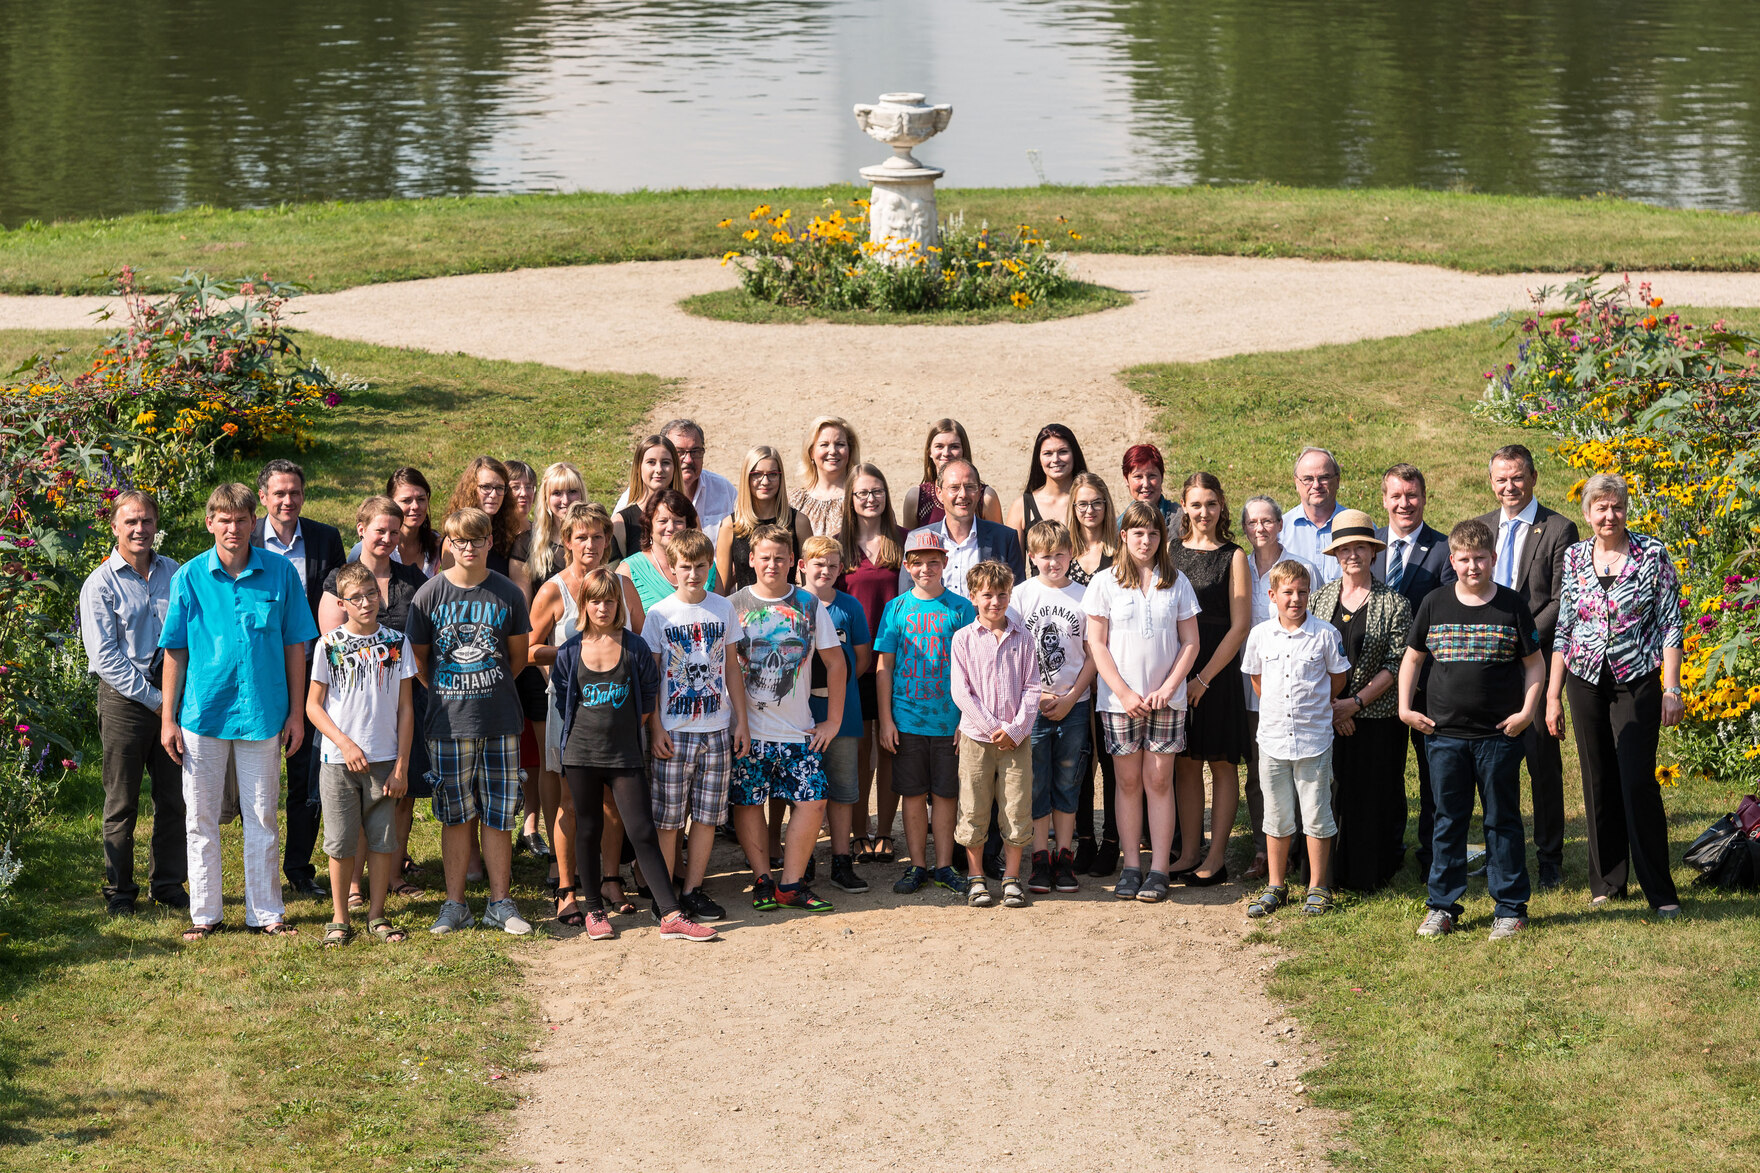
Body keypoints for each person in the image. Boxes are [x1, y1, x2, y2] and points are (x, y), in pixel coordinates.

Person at [159, 483, 319, 939]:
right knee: (200, 818)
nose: (233, 528)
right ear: (209, 523)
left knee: (263, 815)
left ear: (255, 523)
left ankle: (266, 912)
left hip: (264, 714)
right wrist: (168, 718)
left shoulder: (281, 573)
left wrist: (295, 714)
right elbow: (175, 652)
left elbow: (295, 646)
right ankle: (205, 915)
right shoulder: (188, 577)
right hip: (203, 715)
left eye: (242, 519)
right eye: (224, 520)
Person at [1398, 519, 1545, 941]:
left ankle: (1510, 908)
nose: (1472, 567)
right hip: (1443, 736)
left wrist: (1525, 713)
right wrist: (1407, 708)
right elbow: (1412, 658)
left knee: (1502, 821)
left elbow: (1535, 665)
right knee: (1448, 821)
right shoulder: (1434, 603)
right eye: (1463, 559)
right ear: (1453, 560)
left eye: (1480, 558)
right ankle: (1442, 906)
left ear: (1493, 559)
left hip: (1499, 737)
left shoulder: (1513, 607)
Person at [553, 567, 717, 942]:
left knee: (642, 830)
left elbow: (647, 699)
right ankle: (593, 908)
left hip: (624, 755)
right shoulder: (569, 651)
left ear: (619, 604)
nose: (603, 607)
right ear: (584, 604)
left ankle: (671, 913)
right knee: (589, 828)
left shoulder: (635, 647)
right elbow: (565, 701)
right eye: (595, 600)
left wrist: (623, 731)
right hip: (581, 756)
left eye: (610, 600)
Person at [1546, 474, 1684, 917]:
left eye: (1617, 507)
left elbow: (1670, 624)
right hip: (1583, 678)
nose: (1609, 515)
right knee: (1597, 778)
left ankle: (1659, 891)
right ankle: (1608, 883)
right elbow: (1563, 628)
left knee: (1636, 781)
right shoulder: (1572, 557)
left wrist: (1672, 687)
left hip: (1637, 679)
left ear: (1626, 510)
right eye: (1600, 508)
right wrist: (1552, 696)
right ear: (1586, 514)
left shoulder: (1652, 555)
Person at [405, 507, 534, 936]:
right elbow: (420, 663)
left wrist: (486, 684)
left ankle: (501, 903)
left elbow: (517, 658)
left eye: (477, 540)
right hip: (448, 723)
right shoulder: (429, 595)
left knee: (499, 814)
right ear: (448, 545)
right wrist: (449, 689)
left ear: (489, 543)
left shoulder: (508, 594)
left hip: (499, 719)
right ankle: (455, 904)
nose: (468, 548)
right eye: (460, 541)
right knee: (455, 815)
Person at [528, 503, 642, 926]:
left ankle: (611, 878)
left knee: (613, 799)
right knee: (570, 802)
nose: (590, 545)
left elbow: (641, 644)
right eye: (581, 537)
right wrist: (571, 657)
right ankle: (566, 886)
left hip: (616, 706)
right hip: (569, 708)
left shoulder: (623, 586)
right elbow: (526, 648)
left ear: (608, 542)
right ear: (566, 542)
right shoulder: (553, 590)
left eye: (598, 537)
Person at [1083, 500, 1201, 904]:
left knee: (1159, 781)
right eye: (1138, 533)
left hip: (1168, 700)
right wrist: (1124, 692)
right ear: (1123, 537)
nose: (1146, 540)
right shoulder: (1104, 582)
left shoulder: (1177, 581)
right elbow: (1096, 645)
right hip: (1120, 702)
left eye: (1153, 534)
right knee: (1128, 781)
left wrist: (1169, 687)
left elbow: (1191, 642)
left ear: (1161, 538)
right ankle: (1131, 866)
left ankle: (1159, 870)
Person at [1473, 443, 1578, 891]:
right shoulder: (1479, 528)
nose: (1509, 486)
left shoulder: (1558, 528)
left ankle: (1550, 856)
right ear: (1491, 481)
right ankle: (1500, 853)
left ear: (1533, 478)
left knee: (1541, 762)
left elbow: (1561, 599)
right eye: (1501, 478)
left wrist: (1520, 640)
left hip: (1535, 662)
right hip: (1487, 669)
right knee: (1491, 764)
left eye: (1517, 477)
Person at [318, 497, 430, 907]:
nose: (387, 538)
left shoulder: (411, 579)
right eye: (379, 529)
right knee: (354, 800)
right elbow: (333, 646)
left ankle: (394, 873)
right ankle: (351, 886)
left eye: (394, 532)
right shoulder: (339, 580)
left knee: (397, 794)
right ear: (361, 528)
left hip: (399, 697)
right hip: (349, 709)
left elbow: (421, 637)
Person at [728, 525, 846, 911]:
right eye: (765, 557)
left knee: (813, 799)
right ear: (751, 560)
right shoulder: (732, 606)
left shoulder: (809, 605)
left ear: (792, 562)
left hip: (799, 731)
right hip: (749, 730)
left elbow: (836, 662)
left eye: (780, 558)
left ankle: (791, 883)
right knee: (748, 803)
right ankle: (762, 877)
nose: (772, 564)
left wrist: (833, 721)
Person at [79, 489, 185, 915]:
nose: (139, 529)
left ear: (156, 525)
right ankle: (121, 892)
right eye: (131, 522)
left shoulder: (174, 572)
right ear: (115, 528)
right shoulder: (100, 583)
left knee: (173, 798)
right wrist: (158, 702)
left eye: (146, 521)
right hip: (125, 699)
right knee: (122, 802)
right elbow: (105, 658)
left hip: (171, 693)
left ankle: (169, 885)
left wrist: (171, 700)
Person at [305, 562, 416, 946]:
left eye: (372, 594)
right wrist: (344, 743)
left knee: (384, 840)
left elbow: (406, 709)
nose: (366, 602)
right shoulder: (328, 645)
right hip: (338, 763)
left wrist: (401, 765)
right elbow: (313, 707)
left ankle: (378, 914)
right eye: (356, 598)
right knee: (340, 841)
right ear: (342, 603)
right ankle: (339, 917)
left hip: (385, 762)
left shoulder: (397, 643)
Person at [252, 458, 346, 902]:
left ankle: (299, 869)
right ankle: (260, 870)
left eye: (295, 492)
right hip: (254, 675)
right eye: (279, 493)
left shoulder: (326, 538)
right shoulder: (242, 534)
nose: (288, 500)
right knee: (256, 779)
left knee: (307, 778)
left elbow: (337, 601)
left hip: (309, 675)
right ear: (264, 497)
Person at [642, 527, 748, 923]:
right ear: (671, 569)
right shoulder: (659, 614)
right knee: (669, 819)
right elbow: (650, 678)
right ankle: (665, 892)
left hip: (717, 728)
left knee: (707, 816)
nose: (692, 574)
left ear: (710, 567)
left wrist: (741, 723)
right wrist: (655, 728)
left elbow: (732, 669)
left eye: (700, 566)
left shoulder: (722, 609)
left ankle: (694, 890)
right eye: (685, 567)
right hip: (674, 730)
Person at [1309, 509, 1413, 894]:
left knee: (1373, 794)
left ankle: (1370, 872)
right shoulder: (1318, 600)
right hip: (1326, 716)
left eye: (1360, 547)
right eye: (1345, 548)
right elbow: (1309, 656)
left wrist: (1355, 703)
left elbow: (1396, 662)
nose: (1352, 554)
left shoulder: (1395, 603)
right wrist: (1335, 708)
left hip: (1376, 718)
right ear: (1336, 555)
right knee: (1328, 793)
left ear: (1373, 553)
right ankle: (1325, 873)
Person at [1239, 560, 1351, 918]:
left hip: (1313, 738)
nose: (1295, 599)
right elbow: (1258, 681)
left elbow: (1337, 680)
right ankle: (1276, 885)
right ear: (1272, 595)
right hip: (1272, 739)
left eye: (1302, 592)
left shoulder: (1325, 634)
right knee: (1276, 815)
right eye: (1287, 592)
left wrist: (1315, 710)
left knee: (1317, 813)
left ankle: (1319, 887)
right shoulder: (1260, 636)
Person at [875, 530, 977, 896]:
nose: (925, 569)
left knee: (947, 795)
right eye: (917, 562)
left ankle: (944, 865)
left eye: (934, 561)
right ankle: (918, 864)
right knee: (914, 795)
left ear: (945, 563)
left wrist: (967, 720)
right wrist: (886, 720)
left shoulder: (961, 608)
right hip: (907, 719)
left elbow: (973, 667)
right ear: (907, 565)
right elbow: (884, 666)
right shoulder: (897, 608)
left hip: (949, 720)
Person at [1372, 464, 1455, 878]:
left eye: (1412, 495)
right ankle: (1386, 851)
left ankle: (1431, 858)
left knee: (1433, 779)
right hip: (1375, 688)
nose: (1404, 503)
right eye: (1396, 496)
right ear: (1384, 499)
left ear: (1424, 497)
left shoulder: (1443, 551)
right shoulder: (1369, 549)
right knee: (1383, 775)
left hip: (1428, 686)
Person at [1171, 472, 1252, 886]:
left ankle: (1216, 857)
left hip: (1216, 671)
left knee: (1221, 762)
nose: (1204, 512)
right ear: (1184, 506)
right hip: (1177, 669)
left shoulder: (1234, 556)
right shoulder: (1169, 552)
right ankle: (1188, 852)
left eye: (1211, 503)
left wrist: (1202, 678)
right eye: (1196, 504)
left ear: (1222, 506)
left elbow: (1240, 627)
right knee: (1185, 762)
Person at [509, 461, 585, 868]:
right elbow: (524, 613)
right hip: (545, 671)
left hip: (591, 673)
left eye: (572, 492)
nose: (564, 500)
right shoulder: (528, 543)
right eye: (557, 493)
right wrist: (550, 675)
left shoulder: (593, 536)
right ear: (545, 498)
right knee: (548, 758)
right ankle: (543, 835)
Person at [951, 561, 1040, 909]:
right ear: (973, 597)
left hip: (1016, 742)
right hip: (977, 738)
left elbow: (1033, 688)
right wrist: (992, 728)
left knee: (1016, 807)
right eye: (987, 594)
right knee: (973, 806)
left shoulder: (1025, 637)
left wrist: (1015, 729)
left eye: (1002, 594)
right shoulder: (963, 639)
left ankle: (1011, 878)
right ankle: (976, 879)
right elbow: (961, 692)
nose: (995, 601)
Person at [1238, 495, 1318, 880]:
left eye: (1267, 520)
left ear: (1280, 524)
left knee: (1304, 771)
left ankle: (1304, 851)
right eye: (1252, 522)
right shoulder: (1241, 567)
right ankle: (1264, 851)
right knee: (1260, 773)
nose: (1260, 528)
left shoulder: (1302, 569)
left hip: (1302, 690)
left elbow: (1316, 627)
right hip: (1255, 685)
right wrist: (1262, 690)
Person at [1014, 521, 1095, 895]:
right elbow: (1012, 655)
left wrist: (1072, 695)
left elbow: (1096, 654)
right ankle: (1040, 856)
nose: (1053, 562)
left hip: (1075, 703)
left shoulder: (1085, 596)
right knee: (1036, 783)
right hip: (1033, 706)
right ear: (1032, 557)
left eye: (1060, 554)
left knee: (1069, 781)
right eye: (1045, 556)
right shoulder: (1020, 596)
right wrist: (1036, 697)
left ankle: (1065, 855)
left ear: (1071, 555)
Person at [840, 463, 905, 864]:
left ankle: (885, 830)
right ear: (851, 499)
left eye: (877, 491)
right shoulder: (838, 545)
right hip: (855, 661)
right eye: (862, 492)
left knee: (891, 746)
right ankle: (859, 829)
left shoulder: (903, 541)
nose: (870, 499)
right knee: (860, 750)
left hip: (898, 657)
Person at [800, 536, 873, 894]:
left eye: (832, 565)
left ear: (840, 569)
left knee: (843, 789)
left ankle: (841, 860)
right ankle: (804, 857)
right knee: (801, 789)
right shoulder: (793, 604)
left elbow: (861, 659)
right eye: (818, 564)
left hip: (842, 712)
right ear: (802, 566)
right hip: (798, 712)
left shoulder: (849, 607)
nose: (825, 571)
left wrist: (837, 693)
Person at [1066, 471, 1119, 875]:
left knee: (1112, 759)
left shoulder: (1119, 554)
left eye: (1096, 502)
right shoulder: (1061, 553)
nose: (1089, 510)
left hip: (1112, 670)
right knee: (1079, 759)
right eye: (1082, 503)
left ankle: (1114, 840)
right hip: (1072, 673)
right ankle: (1084, 837)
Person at [899, 459, 1025, 599]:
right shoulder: (917, 539)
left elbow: (1017, 596)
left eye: (970, 487)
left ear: (979, 493)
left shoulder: (1004, 538)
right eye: (954, 487)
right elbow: (907, 598)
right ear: (939, 493)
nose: (963, 494)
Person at [615, 419, 738, 542]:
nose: (688, 460)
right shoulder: (628, 507)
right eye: (679, 452)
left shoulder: (724, 489)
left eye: (695, 451)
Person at [717, 444, 813, 592]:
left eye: (772, 474)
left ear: (780, 477)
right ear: (746, 477)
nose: (765, 481)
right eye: (757, 474)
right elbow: (722, 588)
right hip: (745, 613)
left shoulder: (799, 522)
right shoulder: (730, 525)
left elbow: (810, 584)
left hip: (789, 611)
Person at [619, 489, 720, 612]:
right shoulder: (628, 571)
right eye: (662, 521)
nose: (671, 528)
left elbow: (722, 614)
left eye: (678, 521)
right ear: (649, 526)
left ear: (688, 526)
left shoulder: (708, 568)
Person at [901, 418, 1004, 527]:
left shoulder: (986, 497)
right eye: (939, 446)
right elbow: (908, 542)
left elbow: (1000, 540)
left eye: (954, 447)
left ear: (964, 450)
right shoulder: (916, 498)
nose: (946, 453)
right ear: (929, 452)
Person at [1005, 423, 1088, 557]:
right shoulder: (1021, 506)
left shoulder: (1092, 500)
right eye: (1048, 453)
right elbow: (1013, 569)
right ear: (1039, 459)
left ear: (1074, 455)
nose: (1055, 459)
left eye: (1063, 452)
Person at [611, 434, 680, 562]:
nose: (659, 469)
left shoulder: (687, 515)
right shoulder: (621, 523)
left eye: (665, 463)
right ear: (639, 467)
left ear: (674, 467)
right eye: (651, 462)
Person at [1281, 447, 1343, 584]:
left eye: (1324, 477)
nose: (1316, 485)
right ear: (1297, 483)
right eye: (1308, 479)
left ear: (1337, 480)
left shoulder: (1358, 525)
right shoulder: (1280, 530)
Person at [788, 415, 858, 537]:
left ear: (850, 450)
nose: (832, 451)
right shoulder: (794, 501)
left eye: (840, 444)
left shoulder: (864, 497)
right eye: (824, 445)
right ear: (811, 452)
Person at [444, 456, 515, 575]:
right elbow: (450, 587)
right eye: (486, 487)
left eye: (499, 488)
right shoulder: (454, 539)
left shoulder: (507, 533)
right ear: (471, 490)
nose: (493, 494)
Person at [385, 467, 441, 577]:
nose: (415, 506)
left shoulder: (437, 545)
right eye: (406, 500)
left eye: (421, 499)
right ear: (390, 503)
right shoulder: (379, 545)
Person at [1120, 443, 1183, 533]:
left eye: (1152, 476)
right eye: (1138, 476)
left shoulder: (1182, 521)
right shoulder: (1116, 527)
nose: (1146, 484)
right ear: (1126, 480)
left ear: (1162, 477)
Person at [504, 460, 537, 543]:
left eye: (528, 487)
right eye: (515, 487)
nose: (524, 493)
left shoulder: (541, 535)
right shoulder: (489, 535)